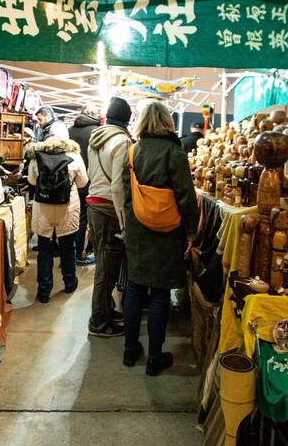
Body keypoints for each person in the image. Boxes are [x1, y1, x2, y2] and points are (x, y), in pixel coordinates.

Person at [122, 100, 197, 376]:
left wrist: (129, 227)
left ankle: (130, 350)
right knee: (160, 293)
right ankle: (155, 358)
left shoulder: (132, 152)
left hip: (137, 231)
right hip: (167, 232)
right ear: (167, 121)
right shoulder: (174, 152)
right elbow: (186, 196)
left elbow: (127, 197)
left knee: (134, 288)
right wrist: (192, 232)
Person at [86, 96, 133, 337]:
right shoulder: (122, 141)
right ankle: (99, 322)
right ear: (127, 119)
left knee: (104, 264)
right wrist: (124, 221)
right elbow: (117, 186)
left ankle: (105, 309)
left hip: (93, 205)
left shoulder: (96, 138)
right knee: (107, 267)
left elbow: (89, 174)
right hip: (108, 209)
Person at [27, 136, 88, 303]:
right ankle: (70, 283)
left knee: (44, 250)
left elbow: (32, 181)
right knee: (68, 247)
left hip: (43, 206)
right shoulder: (74, 156)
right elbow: (83, 183)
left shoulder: (37, 156)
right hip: (67, 207)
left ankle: (44, 292)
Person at [69, 105, 101, 266]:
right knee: (84, 219)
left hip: (68, 180)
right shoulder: (96, 132)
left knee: (72, 216)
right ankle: (79, 255)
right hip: (89, 180)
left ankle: (69, 253)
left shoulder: (70, 130)